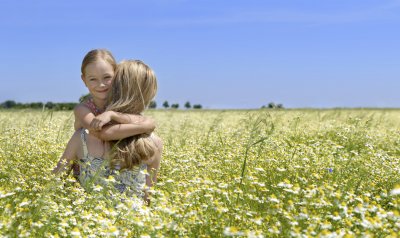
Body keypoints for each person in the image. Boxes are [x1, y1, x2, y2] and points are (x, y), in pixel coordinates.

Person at [53, 60, 162, 205]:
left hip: (87, 224)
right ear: (149, 94)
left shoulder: (82, 138)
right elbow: (148, 199)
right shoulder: (155, 143)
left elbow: (54, 182)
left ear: (115, 87)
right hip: (134, 224)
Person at [70, 49, 156, 177]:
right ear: (84, 80)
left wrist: (113, 115)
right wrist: (145, 127)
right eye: (93, 79)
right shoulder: (83, 109)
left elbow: (146, 120)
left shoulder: (117, 107)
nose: (101, 84)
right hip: (86, 174)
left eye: (107, 77)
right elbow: (102, 133)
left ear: (116, 76)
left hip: (110, 170)